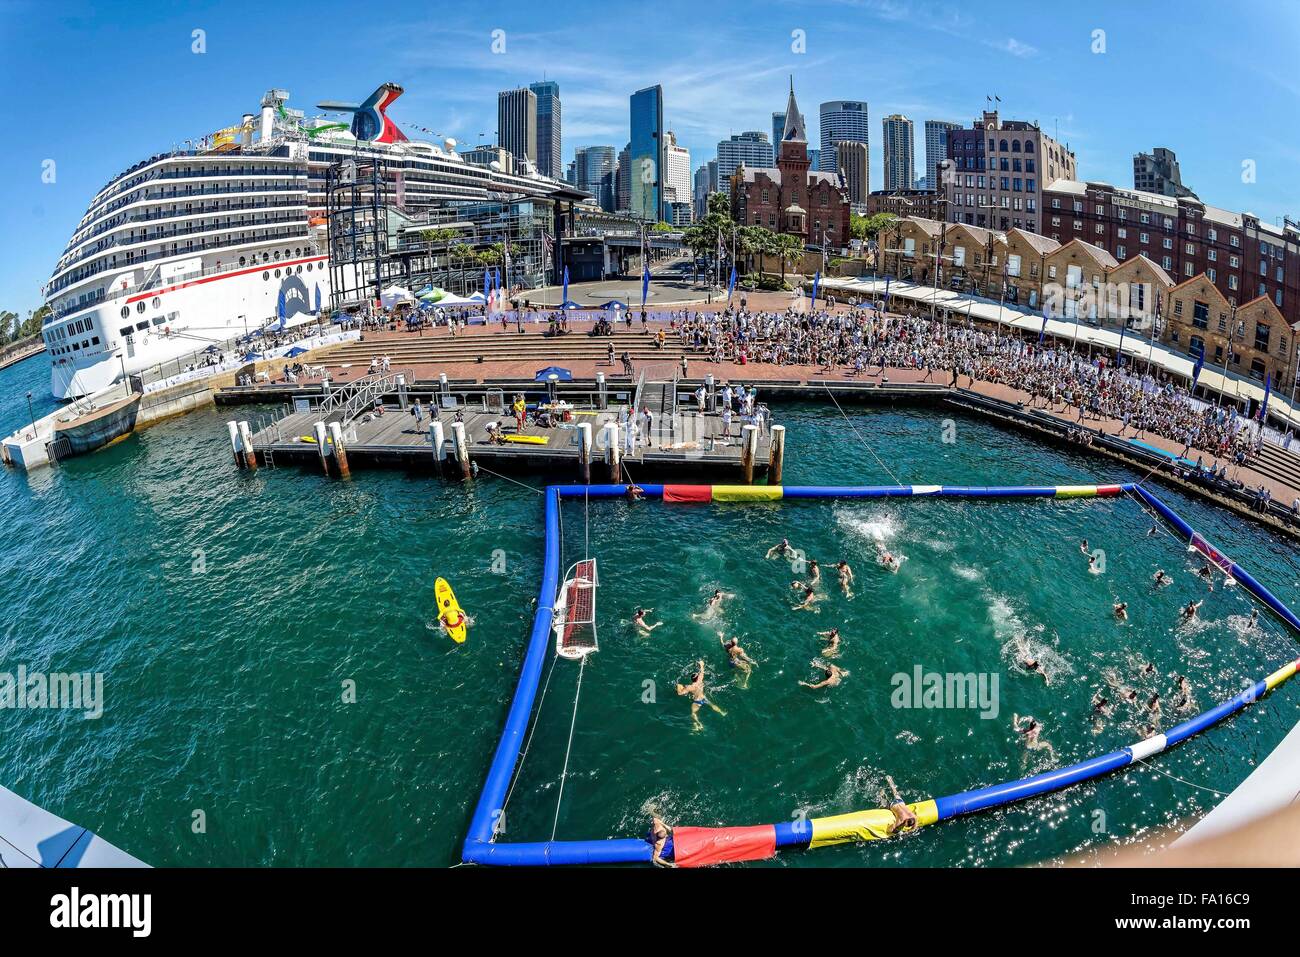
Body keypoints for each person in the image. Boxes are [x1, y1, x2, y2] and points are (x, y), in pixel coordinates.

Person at [676, 659, 725, 731]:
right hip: (703, 698)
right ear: (697, 678)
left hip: (697, 701)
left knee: (693, 713)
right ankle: (722, 712)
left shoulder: (690, 687)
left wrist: (678, 686)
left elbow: (680, 693)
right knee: (712, 705)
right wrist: (701, 665)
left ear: (691, 679)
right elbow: (702, 671)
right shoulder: (700, 680)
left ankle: (699, 724)